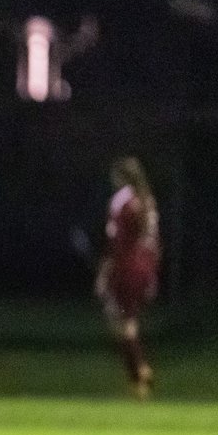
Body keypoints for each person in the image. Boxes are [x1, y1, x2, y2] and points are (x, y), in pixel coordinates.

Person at [95, 155, 160, 397]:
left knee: (122, 322)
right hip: (146, 266)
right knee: (128, 320)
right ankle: (139, 371)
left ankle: (139, 373)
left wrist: (105, 272)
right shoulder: (148, 199)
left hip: (127, 266)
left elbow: (117, 241)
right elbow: (153, 241)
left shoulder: (122, 200)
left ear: (121, 177)